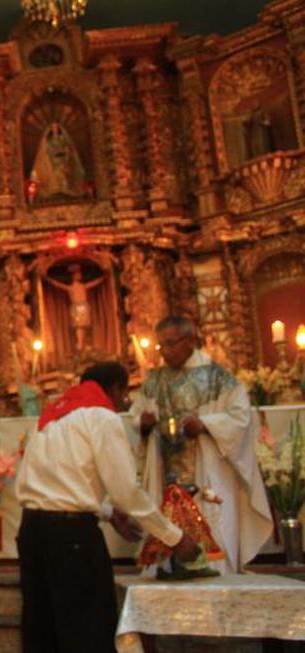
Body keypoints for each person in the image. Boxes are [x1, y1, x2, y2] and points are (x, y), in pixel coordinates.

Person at [16, 362, 199, 653]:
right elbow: (125, 491)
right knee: (88, 631)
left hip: (32, 532)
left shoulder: (50, 416)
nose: (126, 401)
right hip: (71, 538)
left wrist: (108, 513)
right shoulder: (101, 416)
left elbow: (51, 482)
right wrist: (174, 537)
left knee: (42, 632)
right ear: (115, 388)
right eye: (126, 393)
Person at [131, 315, 273, 574]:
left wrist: (207, 424)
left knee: (210, 526)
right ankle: (168, 569)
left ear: (190, 340)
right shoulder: (153, 380)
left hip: (207, 470)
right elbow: (134, 416)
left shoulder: (217, 377)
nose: (165, 351)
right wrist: (142, 423)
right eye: (161, 345)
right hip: (166, 470)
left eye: (171, 343)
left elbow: (242, 417)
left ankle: (216, 573)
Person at [44, 263, 105, 352]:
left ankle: (82, 344)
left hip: (83, 306)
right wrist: (47, 279)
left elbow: (93, 283)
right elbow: (57, 284)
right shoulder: (71, 287)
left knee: (84, 326)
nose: (79, 276)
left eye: (80, 274)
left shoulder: (83, 286)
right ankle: (79, 344)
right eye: (77, 274)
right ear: (73, 276)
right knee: (79, 326)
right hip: (77, 306)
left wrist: (102, 278)